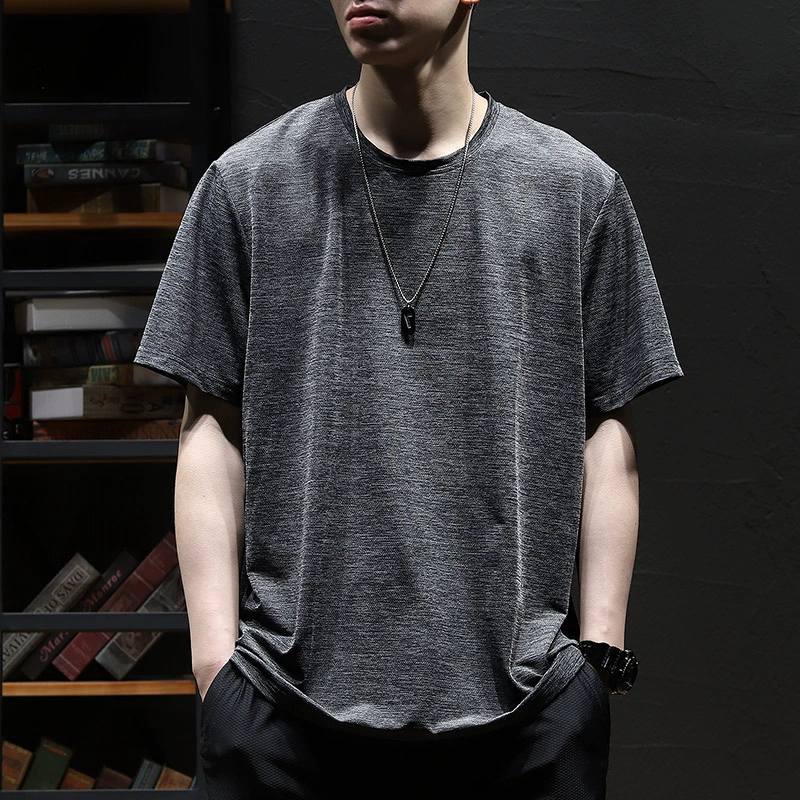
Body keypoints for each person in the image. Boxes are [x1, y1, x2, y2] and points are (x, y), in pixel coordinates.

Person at [133, 1, 684, 797]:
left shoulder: (576, 192)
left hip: (527, 729)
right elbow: (209, 426)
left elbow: (608, 431)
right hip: (281, 723)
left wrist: (596, 665)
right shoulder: (248, 184)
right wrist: (215, 667)